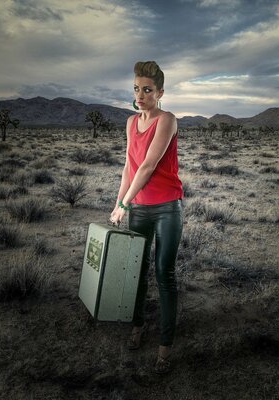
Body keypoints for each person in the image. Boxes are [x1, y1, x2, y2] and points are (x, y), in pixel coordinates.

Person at [109, 60, 184, 375]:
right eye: (136, 89)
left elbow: (148, 166)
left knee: (164, 274)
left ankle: (165, 346)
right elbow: (129, 165)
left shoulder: (167, 120)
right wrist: (119, 203)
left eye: (148, 90)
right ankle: (137, 326)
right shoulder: (130, 122)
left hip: (167, 208)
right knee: (135, 272)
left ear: (160, 92)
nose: (140, 95)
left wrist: (124, 205)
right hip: (138, 207)